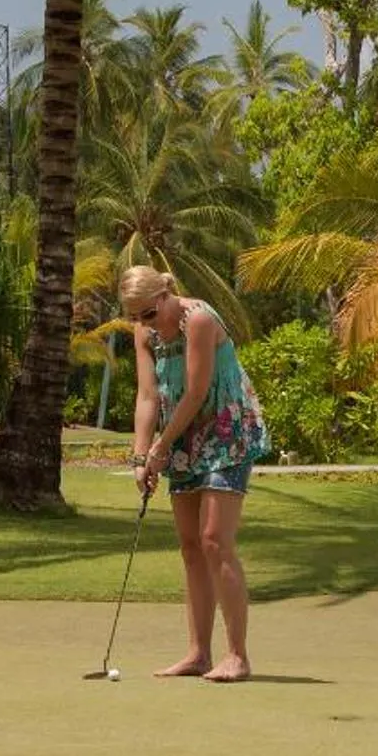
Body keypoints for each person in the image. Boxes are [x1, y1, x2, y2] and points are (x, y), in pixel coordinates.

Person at [123, 266, 270, 682]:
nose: (142, 324)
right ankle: (198, 653)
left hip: (226, 433)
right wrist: (140, 456)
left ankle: (237, 656)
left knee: (214, 540)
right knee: (190, 545)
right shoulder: (144, 333)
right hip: (182, 439)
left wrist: (160, 447)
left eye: (148, 314)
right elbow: (148, 394)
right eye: (133, 317)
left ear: (166, 295)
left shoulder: (200, 320)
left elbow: (196, 391)